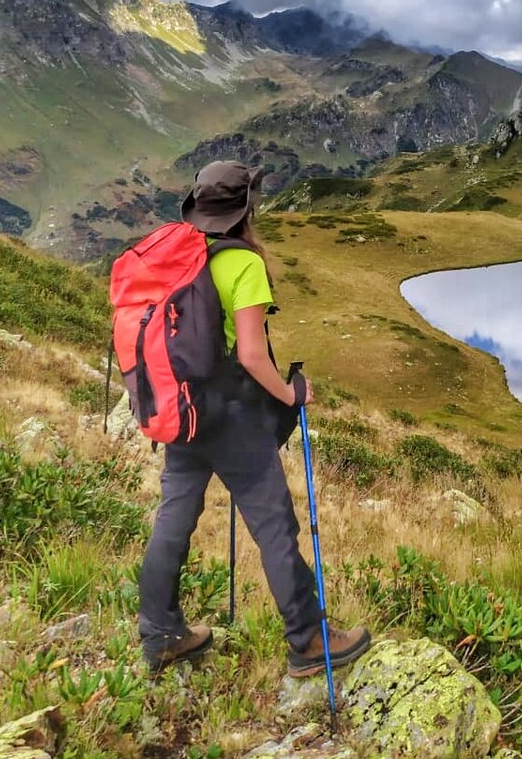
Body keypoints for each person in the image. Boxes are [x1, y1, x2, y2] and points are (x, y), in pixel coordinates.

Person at [137, 160, 371, 676]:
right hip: (231, 415)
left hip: (181, 410)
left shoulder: (178, 254)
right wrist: (291, 393)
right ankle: (308, 640)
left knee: (174, 517)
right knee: (273, 524)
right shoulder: (241, 263)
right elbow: (250, 355)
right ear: (245, 209)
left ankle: (159, 633)